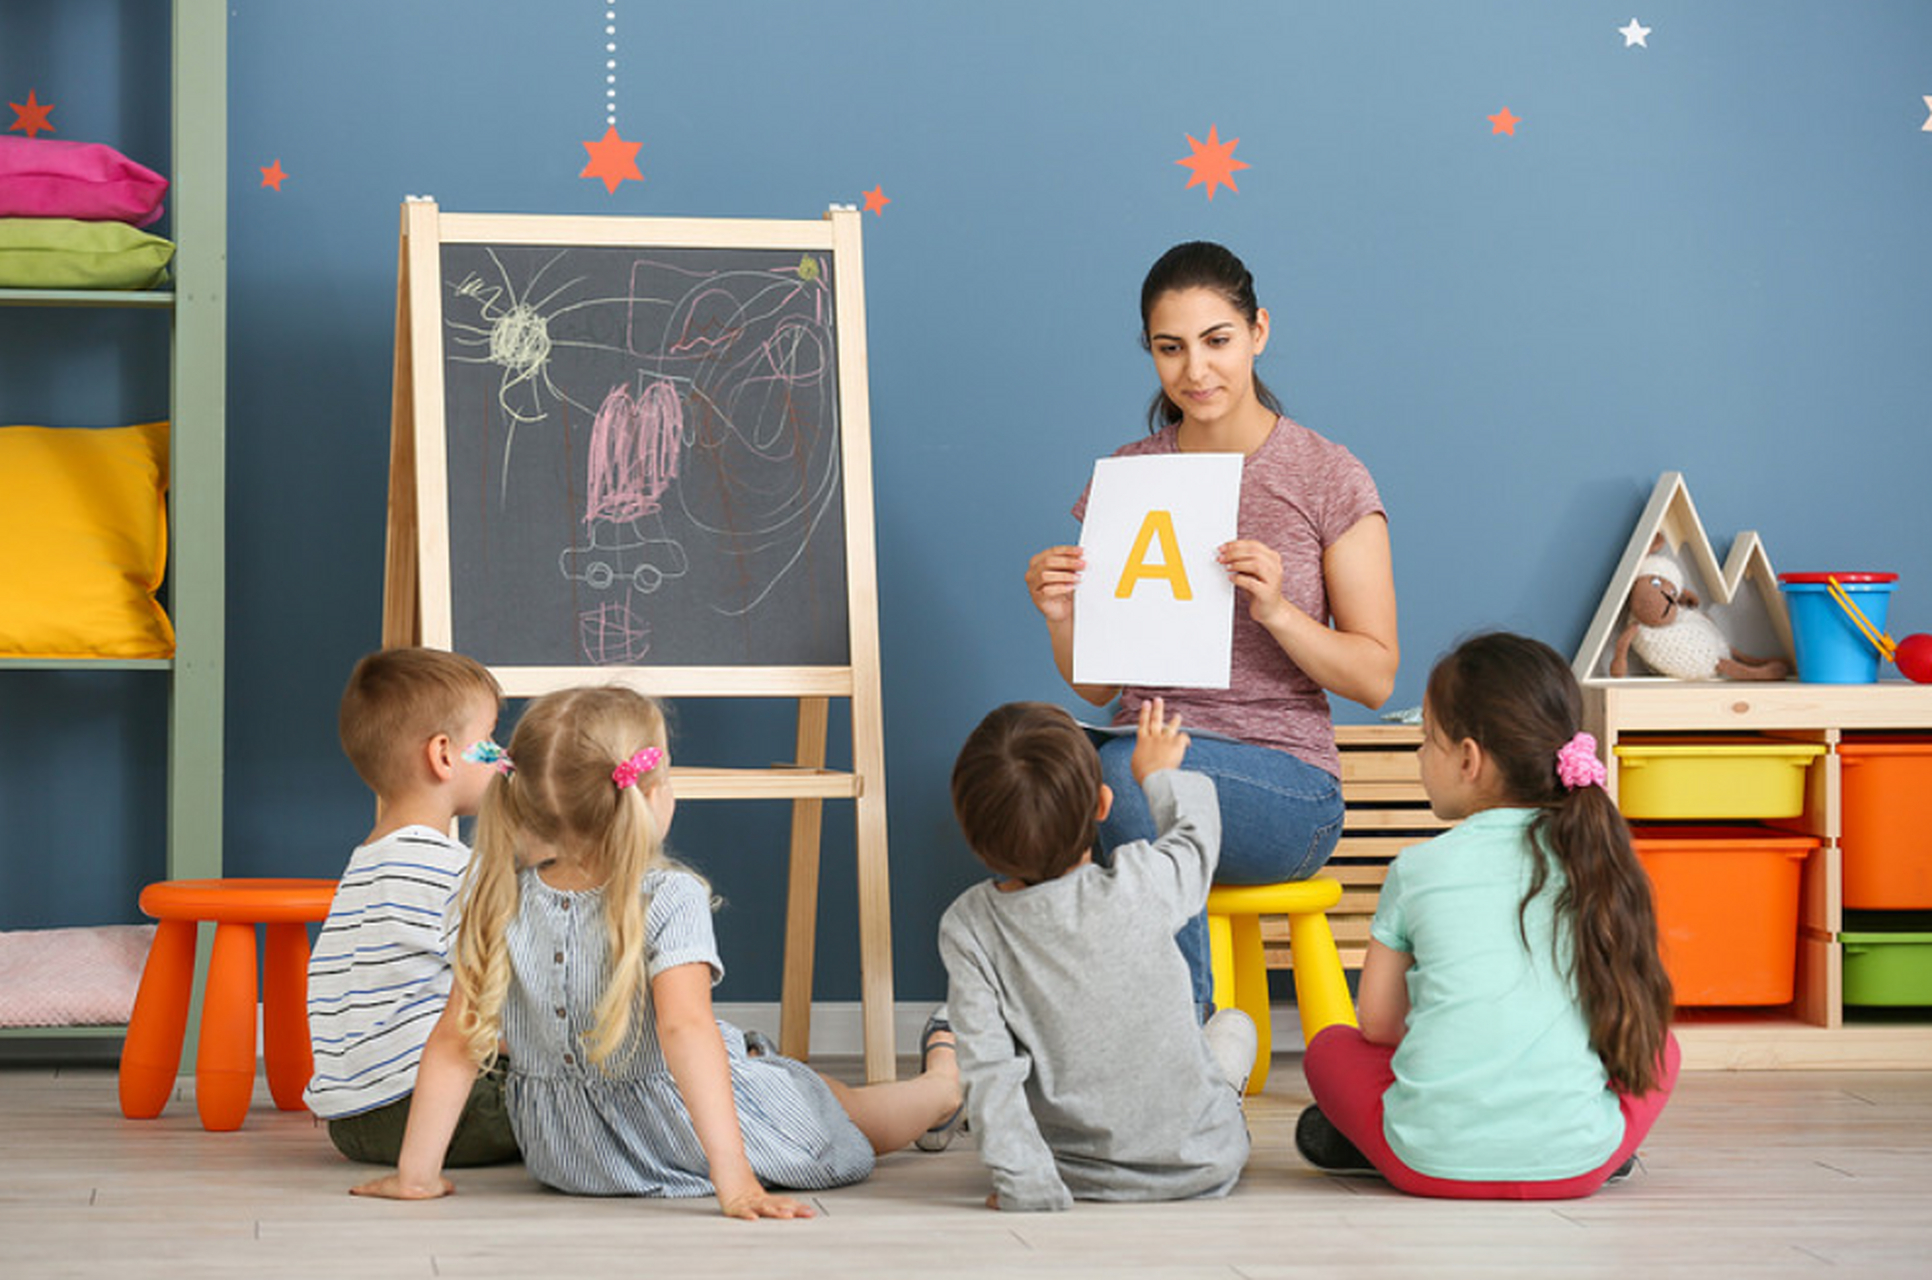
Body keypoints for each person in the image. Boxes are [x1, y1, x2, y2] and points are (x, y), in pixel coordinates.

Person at [350, 685, 963, 1219]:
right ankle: (945, 1085)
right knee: (841, 1108)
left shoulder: (494, 897)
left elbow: (456, 1041)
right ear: (644, 794)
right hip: (679, 1137)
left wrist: (416, 1175)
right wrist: (737, 1183)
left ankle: (886, 1080)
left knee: (790, 1081)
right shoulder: (669, 895)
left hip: (570, 1157)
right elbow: (685, 1029)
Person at [1024, 240, 1398, 1012]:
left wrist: (1279, 612)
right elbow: (1098, 683)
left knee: (1135, 786)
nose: (1195, 370)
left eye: (1217, 341)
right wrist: (1063, 617)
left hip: (1284, 786)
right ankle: (1007, 1040)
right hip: (1138, 751)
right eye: (1171, 348)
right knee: (1024, 777)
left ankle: (1183, 1052)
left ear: (1258, 331)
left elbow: (1375, 676)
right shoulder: (1128, 477)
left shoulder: (1327, 474)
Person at [1297, 632, 1679, 1199]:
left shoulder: (1419, 867)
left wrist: (1449, 1035)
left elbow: (1377, 1025)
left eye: (1427, 740)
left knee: (1329, 1050)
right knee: (1662, 1050)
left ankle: (1371, 1139)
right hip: (1577, 1166)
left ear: (1469, 759)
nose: (1422, 755)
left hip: (1427, 1163)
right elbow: (1627, 1012)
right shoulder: (1602, 859)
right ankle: (1598, 1136)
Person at [938, 697, 1256, 1212]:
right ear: (1104, 805)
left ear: (972, 832)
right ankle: (1224, 1080)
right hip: (1205, 1159)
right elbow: (1197, 843)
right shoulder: (1141, 881)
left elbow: (990, 1071)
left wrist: (1027, 1186)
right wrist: (1157, 776)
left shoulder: (971, 926)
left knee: (956, 1032)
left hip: (1077, 1176)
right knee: (1234, 1029)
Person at [305, 647, 520, 1167]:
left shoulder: (364, 868)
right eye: (488, 741)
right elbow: (501, 1003)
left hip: (352, 1123)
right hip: (436, 1109)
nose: (501, 755)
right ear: (443, 755)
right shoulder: (450, 869)